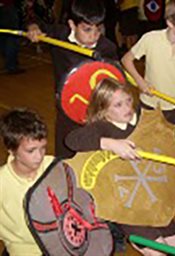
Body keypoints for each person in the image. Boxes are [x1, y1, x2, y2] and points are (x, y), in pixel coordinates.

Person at [65, 78, 175, 256]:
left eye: (128, 100)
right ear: (103, 110)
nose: (127, 108)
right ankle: (129, 235)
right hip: (124, 204)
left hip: (151, 196)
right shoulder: (101, 128)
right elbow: (72, 140)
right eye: (118, 105)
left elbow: (173, 128)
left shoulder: (143, 119)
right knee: (157, 252)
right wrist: (109, 143)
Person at [121, 0, 175, 214]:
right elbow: (127, 59)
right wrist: (140, 82)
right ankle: (145, 189)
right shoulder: (151, 39)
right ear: (170, 22)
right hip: (149, 108)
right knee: (146, 151)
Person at [26, 0, 118, 159]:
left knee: (94, 152)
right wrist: (33, 28)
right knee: (66, 150)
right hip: (66, 108)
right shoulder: (58, 35)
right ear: (72, 25)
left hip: (96, 110)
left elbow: (114, 81)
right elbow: (35, 22)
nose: (93, 36)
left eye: (98, 29)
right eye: (87, 29)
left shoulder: (106, 48)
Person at [0, 108, 54, 256]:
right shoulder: (2, 183)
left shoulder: (54, 167)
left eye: (43, 148)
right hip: (23, 250)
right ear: (11, 150)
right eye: (31, 151)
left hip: (57, 244)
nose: (39, 156)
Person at [0, 0, 24, 74]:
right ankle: (11, 65)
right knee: (12, 37)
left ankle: (11, 62)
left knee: (3, 36)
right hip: (8, 8)